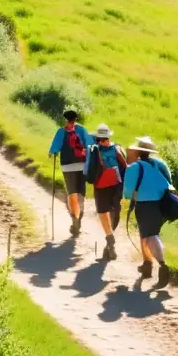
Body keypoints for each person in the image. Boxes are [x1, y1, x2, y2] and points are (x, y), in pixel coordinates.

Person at [123, 136, 173, 288]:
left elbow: (126, 193)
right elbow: (169, 183)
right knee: (147, 233)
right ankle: (147, 265)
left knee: (150, 235)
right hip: (162, 204)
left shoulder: (134, 168)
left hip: (144, 205)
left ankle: (162, 266)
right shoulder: (160, 164)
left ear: (138, 151)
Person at [85, 124, 129, 261]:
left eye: (104, 139)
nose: (104, 141)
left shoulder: (94, 150)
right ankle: (109, 243)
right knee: (112, 213)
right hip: (115, 185)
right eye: (103, 139)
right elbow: (126, 167)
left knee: (104, 213)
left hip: (103, 186)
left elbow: (88, 170)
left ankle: (110, 240)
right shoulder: (116, 148)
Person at [48, 109, 93, 237]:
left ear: (65, 119)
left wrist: (53, 152)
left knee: (71, 193)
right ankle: (80, 216)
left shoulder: (61, 131)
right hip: (82, 165)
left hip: (67, 166)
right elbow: (90, 145)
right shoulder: (82, 130)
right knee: (81, 192)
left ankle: (74, 218)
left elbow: (54, 148)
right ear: (76, 119)